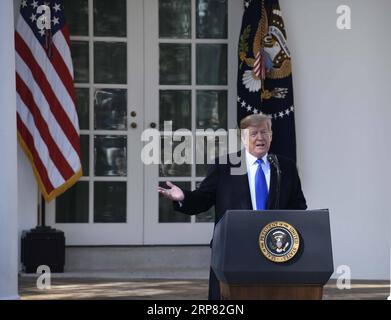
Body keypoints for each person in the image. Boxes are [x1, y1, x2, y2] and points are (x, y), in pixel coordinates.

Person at [158, 114, 307, 299]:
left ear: (271, 135)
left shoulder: (286, 166)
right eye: (253, 133)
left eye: (264, 132)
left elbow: (299, 207)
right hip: (234, 250)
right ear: (243, 138)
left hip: (275, 251)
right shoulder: (224, 166)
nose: (260, 137)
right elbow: (202, 199)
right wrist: (183, 197)